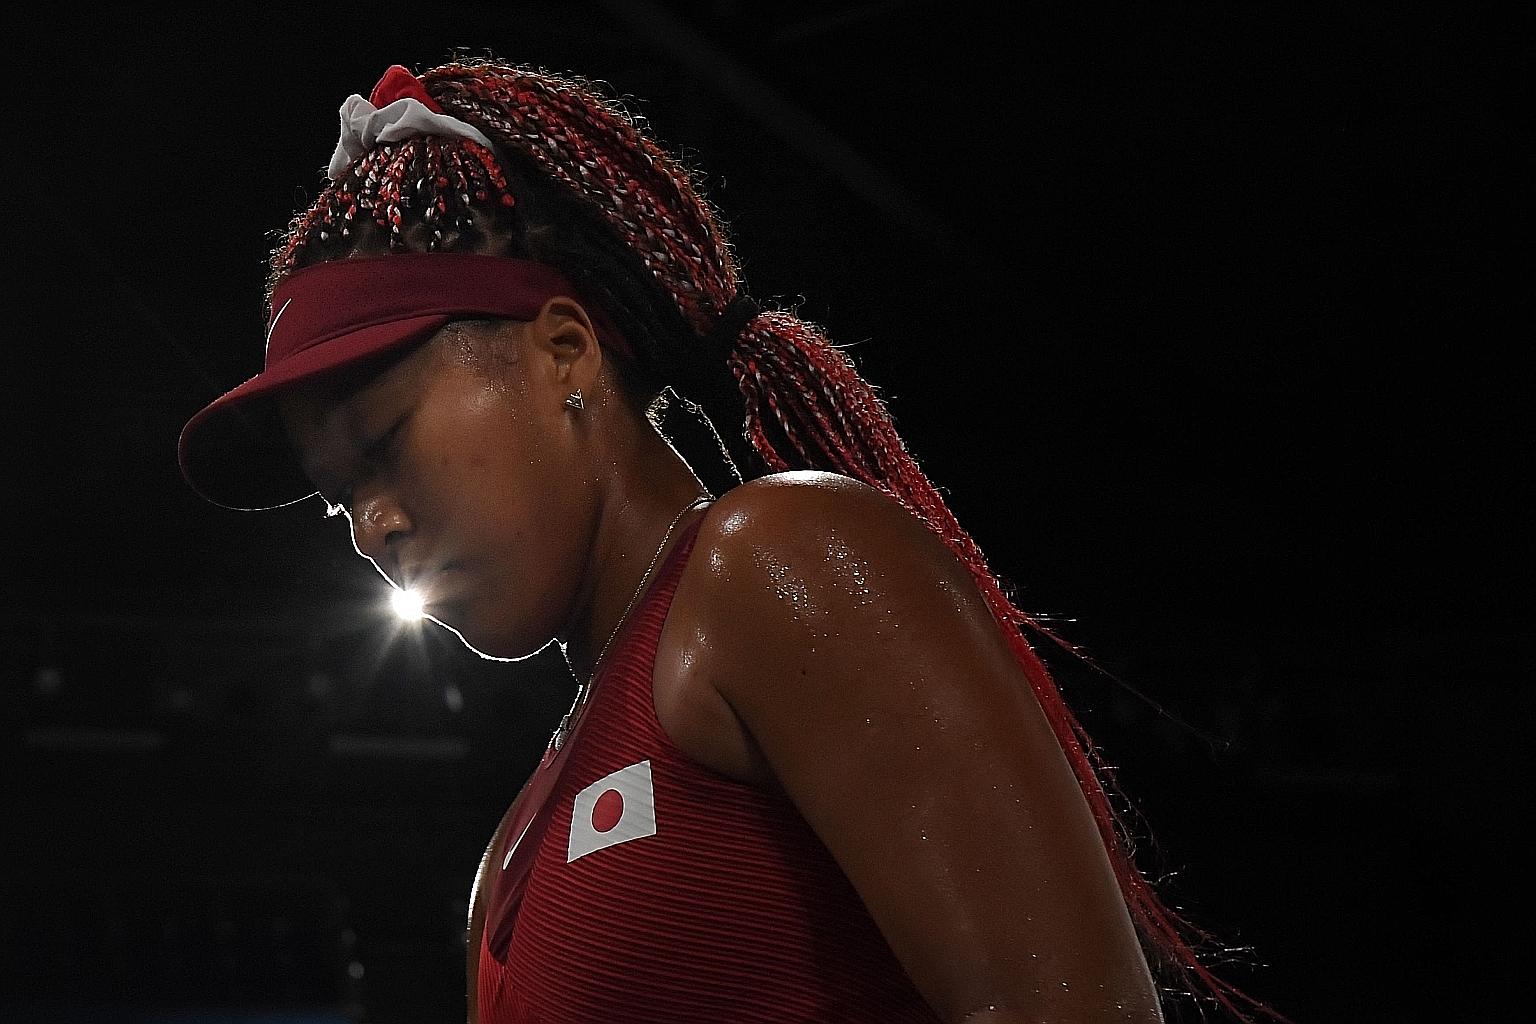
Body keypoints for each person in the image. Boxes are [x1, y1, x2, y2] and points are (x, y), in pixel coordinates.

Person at [178, 58, 1287, 1024]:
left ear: (564, 352)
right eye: (336, 498)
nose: (370, 523)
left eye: (384, 446)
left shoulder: (771, 559)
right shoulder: (513, 846)